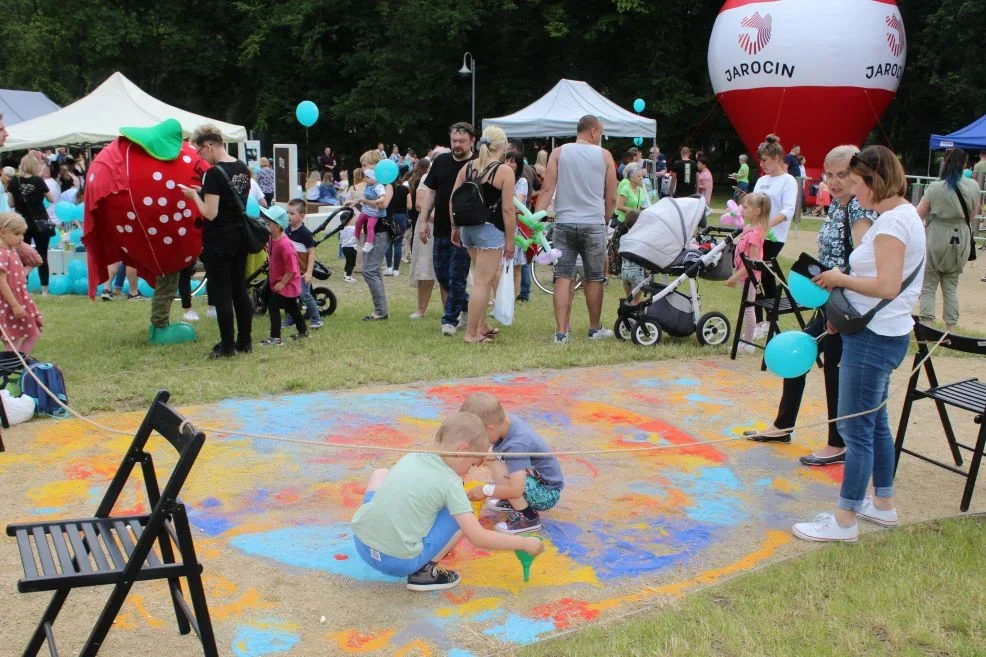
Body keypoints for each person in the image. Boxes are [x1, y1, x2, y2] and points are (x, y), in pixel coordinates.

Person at [793, 145, 926, 543]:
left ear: (873, 180)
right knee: (874, 422)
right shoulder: (901, 217)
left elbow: (886, 284)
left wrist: (839, 280)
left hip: (874, 338)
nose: (852, 190)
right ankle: (882, 504)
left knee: (856, 430)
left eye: (855, 182)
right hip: (879, 331)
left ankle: (844, 520)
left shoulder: (890, 224)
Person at [746, 146, 875, 466]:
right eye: (828, 175)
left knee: (833, 367)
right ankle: (783, 426)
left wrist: (837, 303)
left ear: (860, 174)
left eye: (842, 174)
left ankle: (838, 443)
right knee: (801, 351)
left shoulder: (859, 211)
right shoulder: (836, 206)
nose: (833, 181)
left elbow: (863, 264)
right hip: (827, 299)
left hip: (847, 304)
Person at [352, 411, 545, 591]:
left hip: (361, 544)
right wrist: (524, 544)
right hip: (397, 562)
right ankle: (424, 573)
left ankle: (381, 531)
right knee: (462, 512)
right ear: (462, 450)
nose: (468, 472)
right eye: (471, 464)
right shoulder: (450, 482)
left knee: (381, 474)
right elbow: (478, 537)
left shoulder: (411, 456)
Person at [535, 115, 617, 343]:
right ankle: (594, 328)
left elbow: (547, 189)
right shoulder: (605, 156)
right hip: (593, 223)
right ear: (593, 131)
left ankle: (561, 332)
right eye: (600, 132)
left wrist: (535, 221)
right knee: (594, 277)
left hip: (564, 222)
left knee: (563, 275)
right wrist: (605, 218)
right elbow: (611, 196)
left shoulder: (559, 153)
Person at [182, 125, 253, 359]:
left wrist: (194, 196)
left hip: (219, 240)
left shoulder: (213, 173)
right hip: (240, 236)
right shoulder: (242, 168)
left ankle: (227, 345)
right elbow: (231, 199)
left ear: (209, 145)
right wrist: (204, 191)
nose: (199, 156)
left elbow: (210, 213)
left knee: (222, 292)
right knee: (239, 290)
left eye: (199, 151)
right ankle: (245, 341)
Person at [460, 392, 565, 533]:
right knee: (492, 459)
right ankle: (512, 501)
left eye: (480, 436)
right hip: (535, 481)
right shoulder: (505, 422)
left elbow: (516, 489)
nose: (479, 440)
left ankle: (529, 518)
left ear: (489, 428)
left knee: (505, 478)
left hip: (546, 494)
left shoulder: (517, 445)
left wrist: (485, 490)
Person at [450, 126, 516, 345]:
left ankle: (481, 326)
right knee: (482, 282)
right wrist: (510, 239)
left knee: (483, 280)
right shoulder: (504, 171)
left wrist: (455, 227)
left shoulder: (468, 167)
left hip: (468, 229)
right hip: (490, 231)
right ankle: (472, 334)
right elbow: (508, 209)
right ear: (503, 146)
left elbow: (453, 200)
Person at [417, 122, 476, 336]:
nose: (457, 145)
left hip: (465, 231)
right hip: (441, 227)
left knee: (457, 276)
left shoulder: (476, 164)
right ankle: (468, 304)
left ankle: (449, 321)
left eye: (462, 141)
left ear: (472, 141)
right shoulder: (441, 161)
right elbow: (431, 193)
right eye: (454, 141)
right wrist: (423, 221)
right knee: (442, 275)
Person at [916, 148, 978, 332]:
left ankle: (927, 325)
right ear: (965, 164)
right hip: (961, 237)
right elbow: (973, 216)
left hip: (936, 236)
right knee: (951, 287)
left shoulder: (935, 187)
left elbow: (919, 213)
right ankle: (950, 328)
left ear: (945, 163)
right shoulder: (973, 186)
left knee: (928, 285)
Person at [751, 134, 798, 336]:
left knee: (765, 276)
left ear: (777, 158)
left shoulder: (788, 181)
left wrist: (765, 226)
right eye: (760, 160)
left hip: (773, 236)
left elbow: (787, 211)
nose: (762, 164)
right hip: (755, 234)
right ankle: (756, 321)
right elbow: (753, 205)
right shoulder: (762, 180)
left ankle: (770, 320)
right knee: (753, 276)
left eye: (765, 160)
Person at [725, 192, 770, 353]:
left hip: (748, 277)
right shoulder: (748, 228)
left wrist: (735, 277)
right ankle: (746, 339)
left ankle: (748, 342)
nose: (741, 209)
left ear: (757, 211)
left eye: (745, 207)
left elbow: (752, 263)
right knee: (745, 307)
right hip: (742, 275)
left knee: (748, 308)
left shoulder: (756, 234)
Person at [8, 154, 58, 295]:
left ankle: (24, 288)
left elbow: (11, 203)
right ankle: (44, 290)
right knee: (42, 255)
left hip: (21, 224)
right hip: (40, 221)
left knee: (22, 256)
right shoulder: (38, 180)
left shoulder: (14, 181)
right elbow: (52, 199)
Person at [257, 206, 308, 346]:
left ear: (278, 226)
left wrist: (282, 283)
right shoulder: (272, 237)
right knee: (292, 308)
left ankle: (276, 339)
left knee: (273, 307)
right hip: (279, 280)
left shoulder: (285, 245)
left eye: (269, 222)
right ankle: (303, 332)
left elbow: (291, 269)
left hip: (288, 282)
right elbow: (270, 249)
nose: (266, 223)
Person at [0, 212, 43, 353]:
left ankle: (18, 364)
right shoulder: (2, 254)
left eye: (22, 234)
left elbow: (17, 279)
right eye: (17, 234)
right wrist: (15, 306)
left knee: (33, 333)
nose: (21, 238)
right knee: (12, 340)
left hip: (20, 300)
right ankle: (9, 368)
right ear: (3, 233)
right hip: (9, 303)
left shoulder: (12, 252)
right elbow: (2, 283)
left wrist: (30, 266)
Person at [285, 199, 324, 330]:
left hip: (302, 271)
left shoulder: (305, 234)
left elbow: (311, 253)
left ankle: (316, 319)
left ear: (302, 216)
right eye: (287, 213)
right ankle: (291, 319)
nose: (288, 216)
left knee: (305, 295)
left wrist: (309, 272)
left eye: (292, 213)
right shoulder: (286, 230)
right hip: (291, 270)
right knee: (290, 296)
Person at [407, 159, 436, 319]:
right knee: (425, 269)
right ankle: (421, 309)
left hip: (448, 227)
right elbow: (419, 204)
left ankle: (451, 310)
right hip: (429, 226)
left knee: (449, 270)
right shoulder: (427, 178)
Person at [349, 151, 388, 254]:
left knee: (369, 226)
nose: (362, 169)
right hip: (367, 211)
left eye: (364, 165)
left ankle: (369, 243)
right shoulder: (369, 183)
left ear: (375, 166)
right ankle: (356, 237)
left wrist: (366, 200)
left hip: (377, 221)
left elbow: (382, 203)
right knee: (359, 222)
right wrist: (358, 201)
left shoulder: (381, 184)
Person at [383, 169, 410, 277]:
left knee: (388, 242)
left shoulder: (386, 189)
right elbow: (409, 206)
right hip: (401, 217)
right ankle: (396, 269)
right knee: (398, 243)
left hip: (389, 216)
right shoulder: (405, 189)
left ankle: (389, 267)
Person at [619, 209, 648, 304]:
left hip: (625, 273)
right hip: (637, 274)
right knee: (636, 301)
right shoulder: (641, 239)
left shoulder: (623, 238)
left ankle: (626, 317)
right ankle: (634, 318)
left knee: (628, 299)